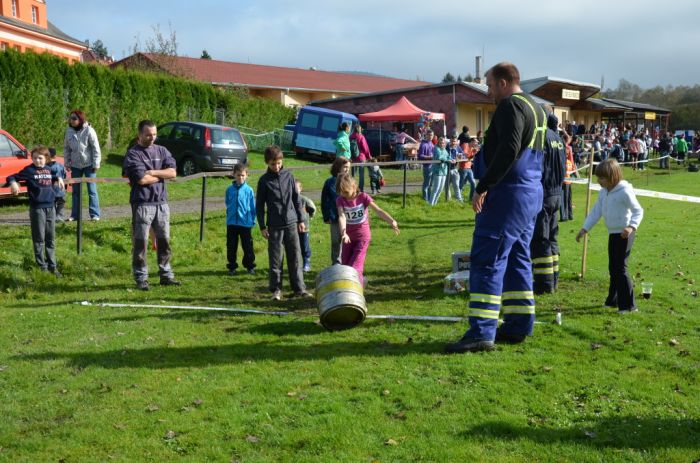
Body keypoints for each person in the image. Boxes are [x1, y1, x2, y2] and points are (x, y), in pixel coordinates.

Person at [445, 62, 547, 353]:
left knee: (488, 259)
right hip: (530, 194)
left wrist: (483, 185)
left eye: (489, 85)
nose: (488, 91)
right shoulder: (537, 108)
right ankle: (518, 324)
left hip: (507, 194)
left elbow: (509, 148)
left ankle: (481, 332)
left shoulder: (510, 106)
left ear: (503, 82)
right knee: (517, 259)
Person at [576, 159, 644, 314]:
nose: (598, 181)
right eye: (598, 178)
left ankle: (629, 306)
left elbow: (638, 211)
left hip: (625, 234)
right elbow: (596, 212)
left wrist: (631, 226)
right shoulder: (603, 192)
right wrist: (584, 229)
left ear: (613, 176)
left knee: (620, 268)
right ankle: (612, 300)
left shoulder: (625, 191)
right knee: (613, 268)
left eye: (602, 178)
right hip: (613, 233)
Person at [123, 120, 180, 291]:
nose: (152, 137)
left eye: (154, 134)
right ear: (139, 134)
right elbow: (141, 179)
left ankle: (166, 275)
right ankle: (141, 278)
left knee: (164, 241)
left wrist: (154, 172)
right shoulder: (133, 154)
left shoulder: (162, 150)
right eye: (148, 135)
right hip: (142, 204)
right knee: (140, 243)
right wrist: (163, 175)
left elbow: (173, 172)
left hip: (161, 203)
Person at [256, 145, 311, 301]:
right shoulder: (263, 181)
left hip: (292, 223)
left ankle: (299, 289)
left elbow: (296, 199)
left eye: (279, 163)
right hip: (274, 226)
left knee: (295, 257)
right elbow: (259, 206)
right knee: (276, 260)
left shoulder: (289, 176)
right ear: (267, 163)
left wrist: (301, 219)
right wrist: (262, 226)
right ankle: (276, 291)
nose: (276, 166)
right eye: (273, 164)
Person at [7, 146, 64, 276]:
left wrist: (59, 178)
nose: (37, 161)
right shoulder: (29, 170)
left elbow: (55, 175)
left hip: (51, 207)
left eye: (40, 158)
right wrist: (14, 183)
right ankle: (42, 265)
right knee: (39, 238)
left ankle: (52, 266)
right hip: (37, 208)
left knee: (51, 238)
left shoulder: (49, 169)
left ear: (46, 159)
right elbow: (11, 176)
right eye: (35, 158)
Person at [336, 173, 400, 284]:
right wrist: (343, 233)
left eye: (346, 192)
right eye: (341, 192)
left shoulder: (363, 197)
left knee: (355, 266)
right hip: (348, 238)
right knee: (345, 265)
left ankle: (357, 288)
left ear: (354, 187)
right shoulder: (340, 200)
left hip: (363, 237)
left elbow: (378, 211)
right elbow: (341, 216)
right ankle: (358, 282)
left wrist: (391, 221)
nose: (344, 195)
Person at [530, 113, 566, 294]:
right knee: (552, 237)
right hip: (557, 193)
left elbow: (536, 166)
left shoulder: (540, 137)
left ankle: (544, 285)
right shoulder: (558, 139)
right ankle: (554, 278)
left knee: (540, 238)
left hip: (543, 195)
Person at [63, 109, 102, 221]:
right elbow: (66, 148)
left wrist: (96, 164)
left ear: (80, 119)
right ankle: (75, 215)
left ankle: (95, 215)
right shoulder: (69, 131)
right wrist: (67, 162)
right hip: (75, 165)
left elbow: (96, 148)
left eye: (74, 118)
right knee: (75, 191)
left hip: (89, 164)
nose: (72, 120)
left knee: (92, 190)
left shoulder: (89, 130)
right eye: (70, 118)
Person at [225, 163, 256, 276]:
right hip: (232, 223)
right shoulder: (229, 190)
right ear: (234, 175)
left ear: (246, 175)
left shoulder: (249, 191)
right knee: (231, 246)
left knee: (248, 246)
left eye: (243, 175)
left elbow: (253, 207)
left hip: (245, 224)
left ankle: (249, 266)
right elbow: (227, 203)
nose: (240, 178)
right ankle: (232, 267)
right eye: (238, 175)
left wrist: (252, 220)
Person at [322, 157, 351, 265]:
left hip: (348, 216)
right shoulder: (329, 182)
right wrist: (326, 216)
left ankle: (347, 262)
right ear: (338, 167)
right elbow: (325, 200)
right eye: (345, 167)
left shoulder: (349, 181)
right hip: (334, 217)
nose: (347, 170)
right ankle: (336, 262)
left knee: (347, 240)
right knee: (335, 241)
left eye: (348, 167)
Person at [296, 180, 317, 272]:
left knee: (305, 246)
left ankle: (306, 262)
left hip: (304, 228)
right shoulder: (289, 200)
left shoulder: (304, 200)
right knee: (296, 247)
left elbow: (312, 209)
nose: (294, 191)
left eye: (296, 188)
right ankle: (297, 264)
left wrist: (309, 217)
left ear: (300, 189)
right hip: (293, 229)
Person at [349, 124, 372, 192]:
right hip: (361, 158)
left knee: (353, 174)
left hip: (353, 158)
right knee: (361, 174)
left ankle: (353, 188)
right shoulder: (361, 137)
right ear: (359, 129)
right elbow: (365, 148)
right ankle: (361, 189)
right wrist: (368, 156)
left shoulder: (350, 137)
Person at [428, 136, 450, 206]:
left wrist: (451, 159)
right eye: (441, 143)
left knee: (440, 189)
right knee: (435, 189)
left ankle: (435, 204)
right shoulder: (436, 149)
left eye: (443, 143)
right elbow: (440, 157)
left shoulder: (445, 150)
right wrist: (447, 160)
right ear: (438, 143)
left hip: (444, 171)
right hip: (437, 171)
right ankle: (430, 204)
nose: (442, 144)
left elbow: (448, 156)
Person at [46, 147, 67, 221]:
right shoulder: (61, 166)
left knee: (52, 203)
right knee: (61, 203)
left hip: (50, 189)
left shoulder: (46, 167)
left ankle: (53, 216)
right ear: (55, 156)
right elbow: (64, 175)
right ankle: (59, 216)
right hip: (61, 188)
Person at [560, 133, 576, 222]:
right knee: (568, 196)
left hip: (565, 173)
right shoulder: (568, 148)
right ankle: (569, 215)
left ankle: (565, 215)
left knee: (565, 196)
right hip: (568, 173)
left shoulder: (562, 147)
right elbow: (572, 161)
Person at [458, 137, 478, 202]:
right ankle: (459, 198)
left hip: (469, 168)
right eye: (476, 142)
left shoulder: (473, 148)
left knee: (473, 183)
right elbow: (465, 155)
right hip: (463, 168)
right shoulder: (465, 145)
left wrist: (474, 153)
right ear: (471, 141)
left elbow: (470, 157)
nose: (476, 144)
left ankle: (471, 198)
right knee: (461, 184)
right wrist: (473, 153)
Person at [417, 130, 435, 201]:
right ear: (426, 135)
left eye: (432, 135)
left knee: (431, 184)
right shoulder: (423, 144)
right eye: (429, 135)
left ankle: (430, 198)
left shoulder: (432, 143)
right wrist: (430, 157)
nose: (430, 137)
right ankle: (425, 198)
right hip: (426, 166)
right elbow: (420, 156)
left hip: (433, 166)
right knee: (426, 184)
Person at [446, 136, 463, 202]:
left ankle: (459, 200)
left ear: (456, 141)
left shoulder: (458, 147)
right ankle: (448, 199)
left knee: (456, 185)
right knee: (447, 186)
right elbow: (445, 156)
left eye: (454, 141)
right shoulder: (446, 147)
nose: (453, 142)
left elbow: (461, 155)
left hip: (455, 169)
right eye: (452, 141)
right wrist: (450, 159)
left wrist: (459, 158)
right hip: (447, 169)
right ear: (450, 141)